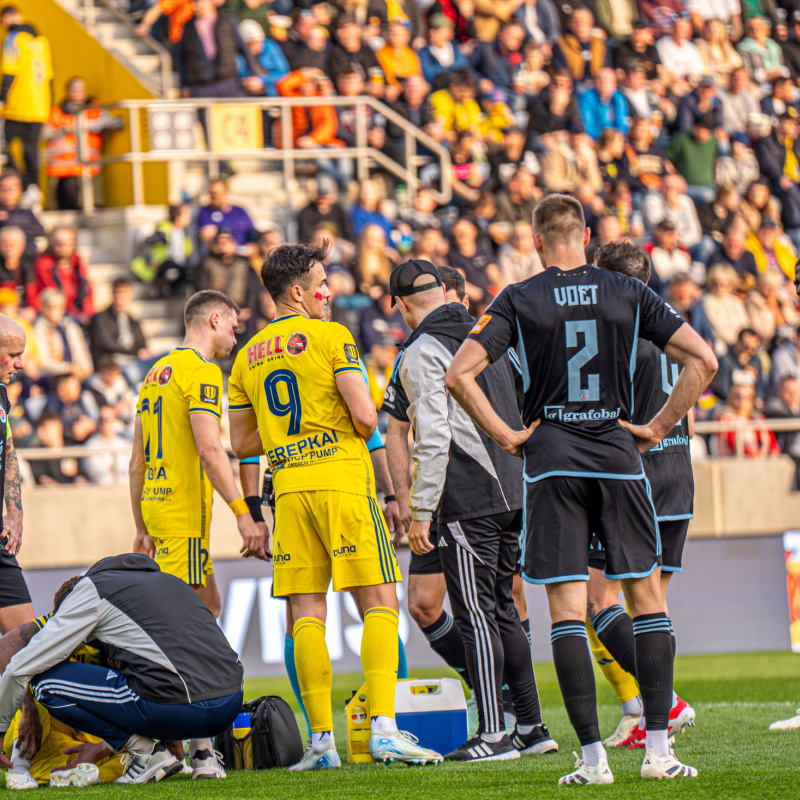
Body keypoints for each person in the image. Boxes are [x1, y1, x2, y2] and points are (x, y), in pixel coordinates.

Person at [445, 193, 717, 784]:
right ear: (587, 235)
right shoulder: (627, 291)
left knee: (568, 612)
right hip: (620, 458)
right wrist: (657, 427)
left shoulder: (518, 297)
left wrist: (508, 434)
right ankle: (659, 753)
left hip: (551, 463)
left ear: (536, 241)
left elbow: (457, 373)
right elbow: (703, 360)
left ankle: (593, 762)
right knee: (647, 602)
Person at [228, 243, 442, 770]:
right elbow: (368, 419)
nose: (329, 292)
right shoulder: (332, 336)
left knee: (304, 613)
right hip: (343, 484)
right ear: (297, 292)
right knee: (378, 602)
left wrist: (287, 434)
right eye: (322, 283)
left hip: (291, 491)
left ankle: (321, 742)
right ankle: (386, 731)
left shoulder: (248, 353)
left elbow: (241, 442)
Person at [386, 259, 556, 762]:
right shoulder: (489, 331)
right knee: (504, 609)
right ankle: (531, 725)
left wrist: (421, 512)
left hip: (469, 496)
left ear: (398, 304)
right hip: (516, 488)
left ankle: (494, 733)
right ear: (444, 290)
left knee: (476, 614)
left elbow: (433, 437)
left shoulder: (419, 351)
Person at [0, 554, 245, 783]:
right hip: (230, 705)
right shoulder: (169, 582)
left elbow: (18, 667)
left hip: (173, 709)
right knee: (178, 663)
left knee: (45, 682)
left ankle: (147, 754)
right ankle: (204, 754)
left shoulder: (89, 592)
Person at [587, 241, 697, 749]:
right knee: (654, 607)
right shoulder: (673, 328)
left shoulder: (623, 334)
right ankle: (654, 719)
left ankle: (664, 702)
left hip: (640, 477)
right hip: (679, 475)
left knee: (598, 599)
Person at [130, 288, 266, 654]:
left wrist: (142, 528)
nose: (235, 338)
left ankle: (205, 696)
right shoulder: (202, 372)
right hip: (183, 517)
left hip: (157, 510)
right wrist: (243, 514)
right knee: (175, 628)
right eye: (233, 328)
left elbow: (136, 461)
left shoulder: (155, 373)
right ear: (214, 320)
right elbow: (209, 449)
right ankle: (170, 701)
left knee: (210, 608)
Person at [41, 77, 123, 211]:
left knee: (90, 199)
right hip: (63, 167)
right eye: (74, 89)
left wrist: (87, 126)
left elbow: (110, 122)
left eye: (80, 89)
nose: (77, 92)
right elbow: (45, 132)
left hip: (88, 163)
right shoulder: (57, 111)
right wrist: (64, 129)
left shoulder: (94, 108)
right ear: (67, 91)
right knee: (66, 200)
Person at [0, 313, 33, 633]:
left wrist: (15, 511)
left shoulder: (1, 395)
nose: (20, 365)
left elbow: (8, 448)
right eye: (12, 355)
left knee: (26, 646)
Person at [0, 8, 52, 194]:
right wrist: (48, 107)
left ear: (5, 19)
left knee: (5, 147)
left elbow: (9, 71)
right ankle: (33, 189)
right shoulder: (41, 41)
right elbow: (49, 77)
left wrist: (2, 98)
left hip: (18, 105)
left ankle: (21, 185)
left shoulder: (13, 38)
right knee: (31, 151)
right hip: (39, 107)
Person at [29, 228, 94, 327]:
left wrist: (87, 313)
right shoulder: (43, 265)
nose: (63, 246)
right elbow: (50, 293)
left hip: (78, 315)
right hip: (53, 314)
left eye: (67, 243)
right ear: (51, 244)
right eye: (58, 243)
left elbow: (87, 291)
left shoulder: (78, 265)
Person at [32, 289, 93, 382]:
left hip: (75, 373)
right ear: (43, 308)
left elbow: (81, 352)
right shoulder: (39, 329)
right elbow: (44, 362)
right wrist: (68, 368)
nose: (55, 311)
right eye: (51, 307)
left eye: (58, 307)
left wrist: (86, 369)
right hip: (53, 376)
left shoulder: (70, 326)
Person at [89, 279, 149, 370]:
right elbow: (107, 344)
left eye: (123, 293)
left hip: (134, 362)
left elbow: (142, 344)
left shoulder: (132, 320)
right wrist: (135, 352)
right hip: (112, 366)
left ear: (130, 295)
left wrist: (141, 352)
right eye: (117, 292)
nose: (120, 296)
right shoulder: (101, 318)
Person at [197, 178, 257, 249]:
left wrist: (253, 245)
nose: (213, 197)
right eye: (211, 193)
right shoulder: (205, 211)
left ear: (226, 193)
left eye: (216, 193)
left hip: (243, 252)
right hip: (219, 253)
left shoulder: (240, 211)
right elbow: (205, 234)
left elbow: (252, 231)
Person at [710, 327, 765, 403]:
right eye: (746, 347)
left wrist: (757, 400)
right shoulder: (725, 361)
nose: (749, 352)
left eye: (753, 349)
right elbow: (722, 390)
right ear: (738, 342)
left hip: (750, 404)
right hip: (728, 404)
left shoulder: (756, 361)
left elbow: (759, 388)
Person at [0, 172, 45, 258]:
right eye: (4, 189)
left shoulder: (26, 212)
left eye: (11, 189)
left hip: (26, 258)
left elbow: (40, 232)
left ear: (19, 190)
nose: (8, 193)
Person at [83, 406, 131, 486]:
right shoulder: (91, 446)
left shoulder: (125, 444)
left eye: (108, 420)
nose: (105, 423)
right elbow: (100, 478)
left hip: (125, 491)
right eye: (101, 420)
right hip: (102, 494)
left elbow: (131, 474)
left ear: (115, 421)